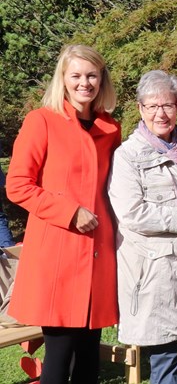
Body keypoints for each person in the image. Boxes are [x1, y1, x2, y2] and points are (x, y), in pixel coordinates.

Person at [5, 44, 121, 383]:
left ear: (102, 79)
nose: (84, 82)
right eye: (76, 75)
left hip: (99, 255)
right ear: (64, 79)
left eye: (92, 75)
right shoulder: (41, 121)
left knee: (88, 359)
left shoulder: (110, 129)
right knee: (59, 356)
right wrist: (70, 212)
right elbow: (18, 185)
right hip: (57, 256)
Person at [107, 70, 177, 383]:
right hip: (153, 275)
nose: (161, 113)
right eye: (152, 106)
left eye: (168, 105)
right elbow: (133, 214)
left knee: (176, 357)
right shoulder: (128, 157)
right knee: (166, 362)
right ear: (141, 109)